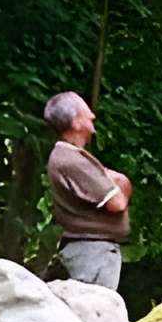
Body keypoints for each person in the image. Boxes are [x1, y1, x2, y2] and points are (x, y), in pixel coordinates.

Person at [40, 90, 131, 291]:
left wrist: (115, 180)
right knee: (96, 316)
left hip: (90, 252)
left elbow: (117, 185)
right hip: (92, 254)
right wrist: (117, 180)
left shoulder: (72, 157)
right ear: (75, 122)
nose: (92, 116)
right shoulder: (71, 160)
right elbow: (117, 202)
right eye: (86, 112)